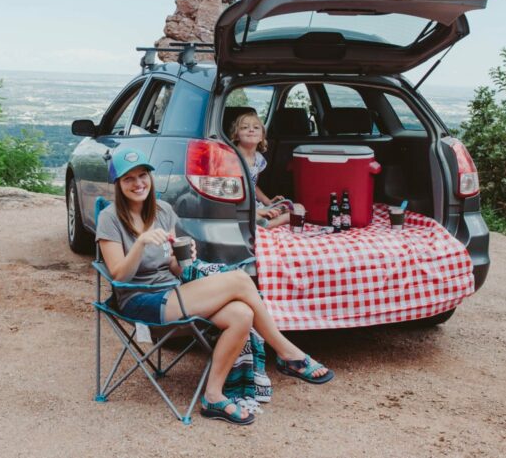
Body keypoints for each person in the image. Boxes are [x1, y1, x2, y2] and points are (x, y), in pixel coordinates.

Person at [96, 148, 333, 426]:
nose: (138, 184)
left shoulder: (163, 211)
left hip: (172, 290)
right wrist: (140, 243)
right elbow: (118, 275)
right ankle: (286, 352)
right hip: (140, 299)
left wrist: (183, 258)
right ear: (118, 185)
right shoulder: (110, 218)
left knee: (241, 315)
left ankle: (213, 395)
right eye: (129, 179)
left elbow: (173, 267)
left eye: (143, 176)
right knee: (241, 280)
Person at [229, 110, 302, 228]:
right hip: (237, 207)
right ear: (236, 134)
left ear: (262, 136)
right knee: (255, 215)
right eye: (244, 127)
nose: (251, 130)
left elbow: (253, 185)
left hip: (254, 205)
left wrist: (268, 202)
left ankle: (264, 220)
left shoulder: (258, 159)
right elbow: (231, 193)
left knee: (298, 208)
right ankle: (265, 221)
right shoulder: (231, 156)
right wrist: (256, 211)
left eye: (256, 127)